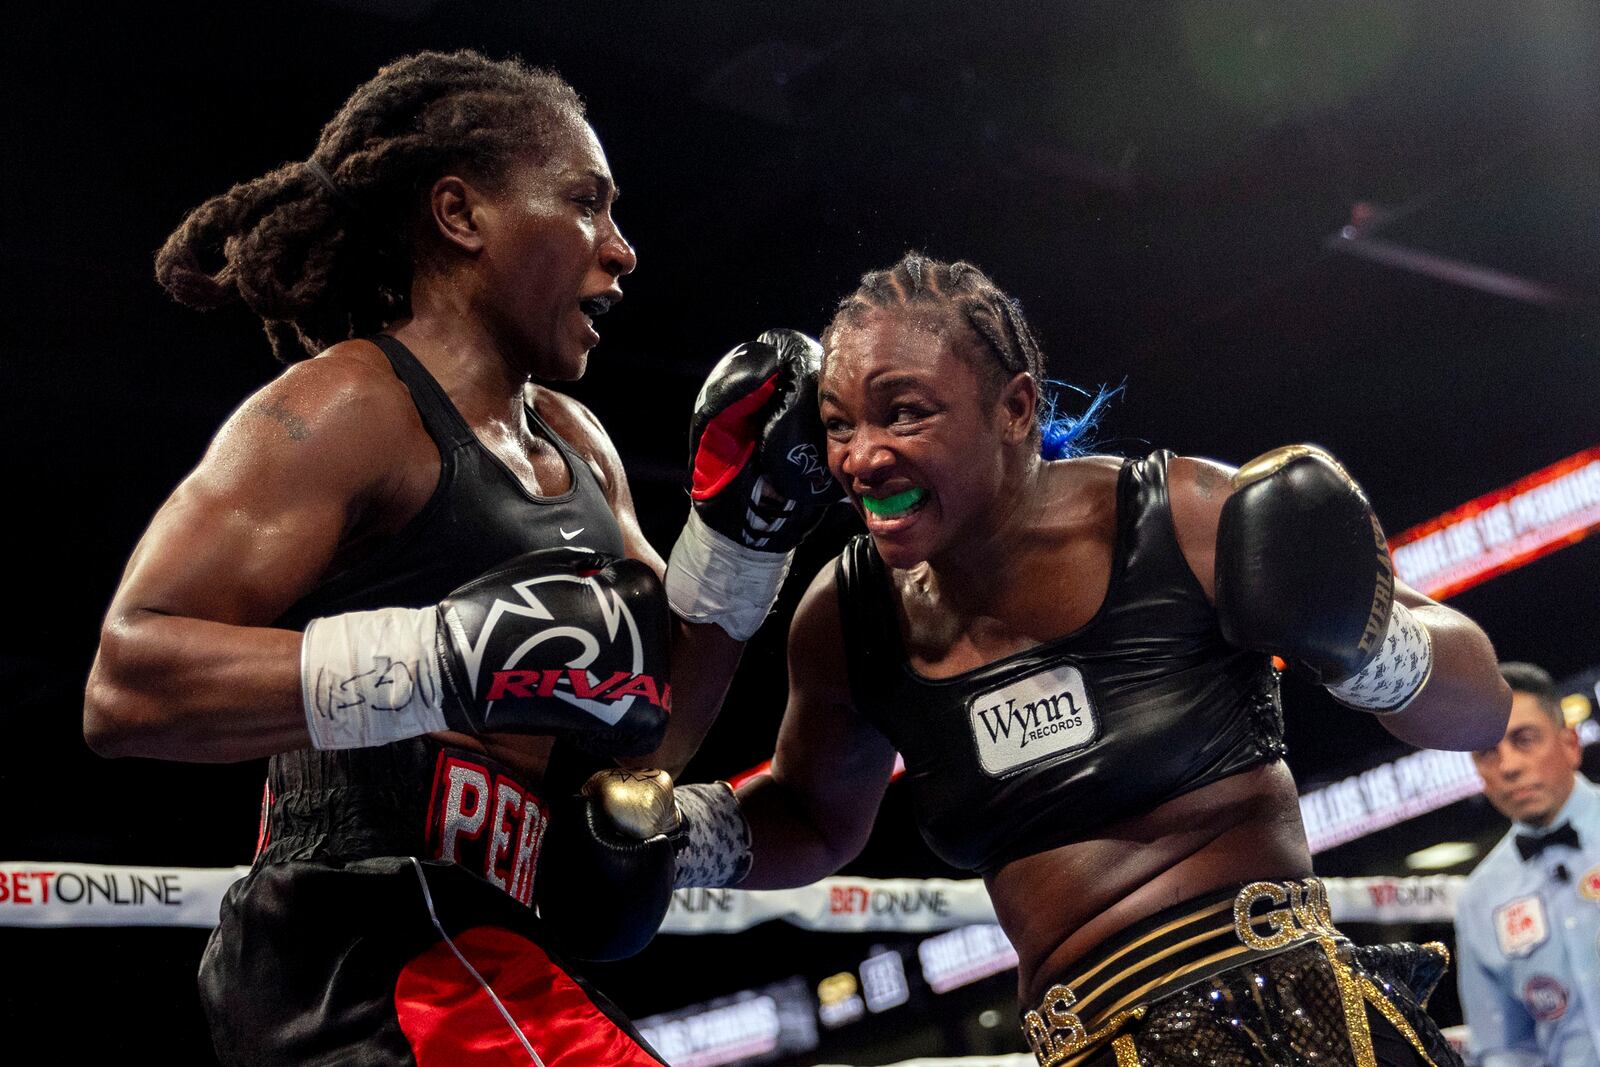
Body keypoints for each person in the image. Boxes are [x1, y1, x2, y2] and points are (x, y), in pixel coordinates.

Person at [82, 50, 831, 1066]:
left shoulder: (581, 444)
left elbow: (645, 738)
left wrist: (745, 534)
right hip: (358, 943)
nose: (622, 250)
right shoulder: (347, 405)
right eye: (584, 202)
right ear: (460, 214)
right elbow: (127, 683)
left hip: (497, 938)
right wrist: (448, 655)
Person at [660, 253, 1513, 1066]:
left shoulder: (1174, 515)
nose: (861, 456)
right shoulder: (846, 620)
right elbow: (809, 815)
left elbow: (1484, 704)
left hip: (1291, 1016)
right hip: (1086, 1043)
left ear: (1016, 408)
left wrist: (1370, 650)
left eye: (903, 411)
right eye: (838, 423)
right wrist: (666, 834)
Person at [1457, 662, 1600, 1067]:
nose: (1509, 766)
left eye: (1524, 740)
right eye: (1488, 752)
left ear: (1570, 744)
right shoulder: (1479, 898)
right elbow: (1503, 1046)